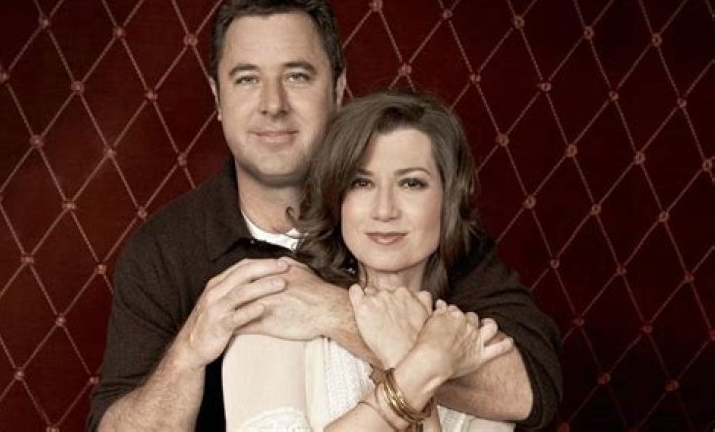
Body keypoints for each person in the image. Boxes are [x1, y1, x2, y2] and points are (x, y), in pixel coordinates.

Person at [88, 0, 561, 431]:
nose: (273, 104)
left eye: (297, 76)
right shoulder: (166, 248)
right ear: (217, 97)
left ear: (337, 89)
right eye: (247, 79)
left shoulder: (410, 230)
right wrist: (189, 350)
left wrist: (334, 312)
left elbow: (531, 389)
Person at [222, 91, 522, 431]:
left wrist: (404, 355)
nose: (384, 210)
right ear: (337, 200)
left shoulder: (470, 343)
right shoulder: (279, 314)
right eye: (361, 183)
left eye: (411, 183)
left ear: (449, 199)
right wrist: (421, 366)